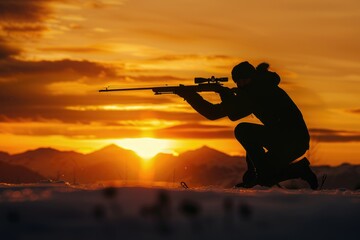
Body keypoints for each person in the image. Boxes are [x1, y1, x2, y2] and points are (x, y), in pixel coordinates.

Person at [175, 61, 318, 189]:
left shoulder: (259, 92)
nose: (241, 84)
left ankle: (298, 170)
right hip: (288, 140)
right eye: (238, 82)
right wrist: (223, 93)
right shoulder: (262, 87)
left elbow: (217, 113)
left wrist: (191, 96)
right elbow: (236, 116)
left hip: (290, 141)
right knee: (263, 178)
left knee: (243, 131)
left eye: (244, 80)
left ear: (253, 77)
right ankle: (299, 170)